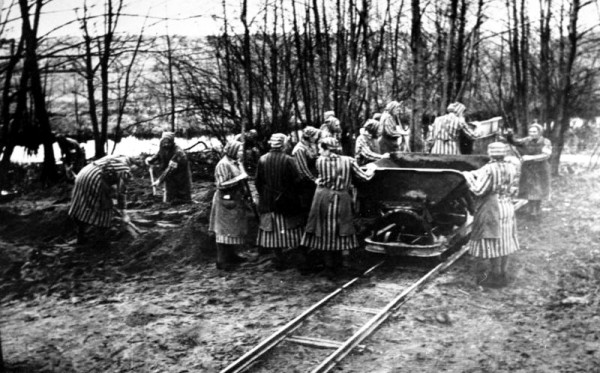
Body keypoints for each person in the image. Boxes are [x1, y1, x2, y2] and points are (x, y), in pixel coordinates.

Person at [301, 137, 375, 276]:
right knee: (344, 229)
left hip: (323, 198)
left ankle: (329, 266)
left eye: (320, 148)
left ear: (326, 148)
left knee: (325, 230)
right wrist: (372, 169)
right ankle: (346, 263)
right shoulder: (349, 161)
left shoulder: (320, 161)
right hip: (342, 198)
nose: (319, 151)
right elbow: (365, 178)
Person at [461, 142, 520, 287]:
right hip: (507, 205)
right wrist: (473, 173)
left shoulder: (490, 169)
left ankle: (495, 276)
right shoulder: (511, 167)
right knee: (505, 240)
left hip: (492, 207)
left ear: (490, 154)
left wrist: (467, 178)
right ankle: (503, 273)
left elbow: (479, 190)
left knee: (492, 240)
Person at [255, 134, 304, 270]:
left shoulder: (262, 159)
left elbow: (258, 182)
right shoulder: (289, 160)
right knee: (292, 228)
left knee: (272, 231)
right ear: (283, 145)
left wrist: (265, 195)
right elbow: (298, 180)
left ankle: (278, 258)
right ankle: (296, 258)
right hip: (287, 201)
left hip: (268, 201)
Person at [68, 155, 132, 245]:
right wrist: (124, 215)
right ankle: (101, 240)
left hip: (82, 175)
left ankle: (81, 235)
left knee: (81, 205)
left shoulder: (111, 159)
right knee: (105, 208)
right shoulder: (124, 168)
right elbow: (121, 192)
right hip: (95, 178)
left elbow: (113, 186)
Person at [208, 140, 251, 270]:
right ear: (232, 150)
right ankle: (222, 261)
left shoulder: (235, 162)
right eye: (238, 150)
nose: (241, 153)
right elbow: (221, 184)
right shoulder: (223, 164)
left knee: (232, 230)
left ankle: (232, 255)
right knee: (223, 231)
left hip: (234, 199)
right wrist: (239, 178)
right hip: (225, 201)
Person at [506, 123, 552, 218]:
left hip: (541, 169)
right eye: (530, 131)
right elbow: (516, 142)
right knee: (530, 188)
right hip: (529, 169)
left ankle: (537, 210)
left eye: (534, 131)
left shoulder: (546, 142)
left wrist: (530, 157)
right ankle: (531, 210)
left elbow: (546, 155)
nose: (532, 133)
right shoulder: (527, 140)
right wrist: (510, 136)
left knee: (538, 188)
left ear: (539, 132)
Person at [145, 132, 192, 204]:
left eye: (168, 142)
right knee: (168, 199)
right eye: (164, 142)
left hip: (180, 176)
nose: (166, 144)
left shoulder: (178, 152)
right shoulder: (163, 147)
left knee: (183, 197)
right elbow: (159, 154)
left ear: (172, 142)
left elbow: (170, 169)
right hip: (170, 177)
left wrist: (159, 181)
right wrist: (150, 160)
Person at [292, 126, 321, 218]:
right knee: (308, 205)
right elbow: (302, 169)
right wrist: (314, 180)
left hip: (312, 179)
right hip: (305, 182)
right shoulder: (299, 149)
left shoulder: (310, 146)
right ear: (310, 137)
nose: (317, 138)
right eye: (315, 136)